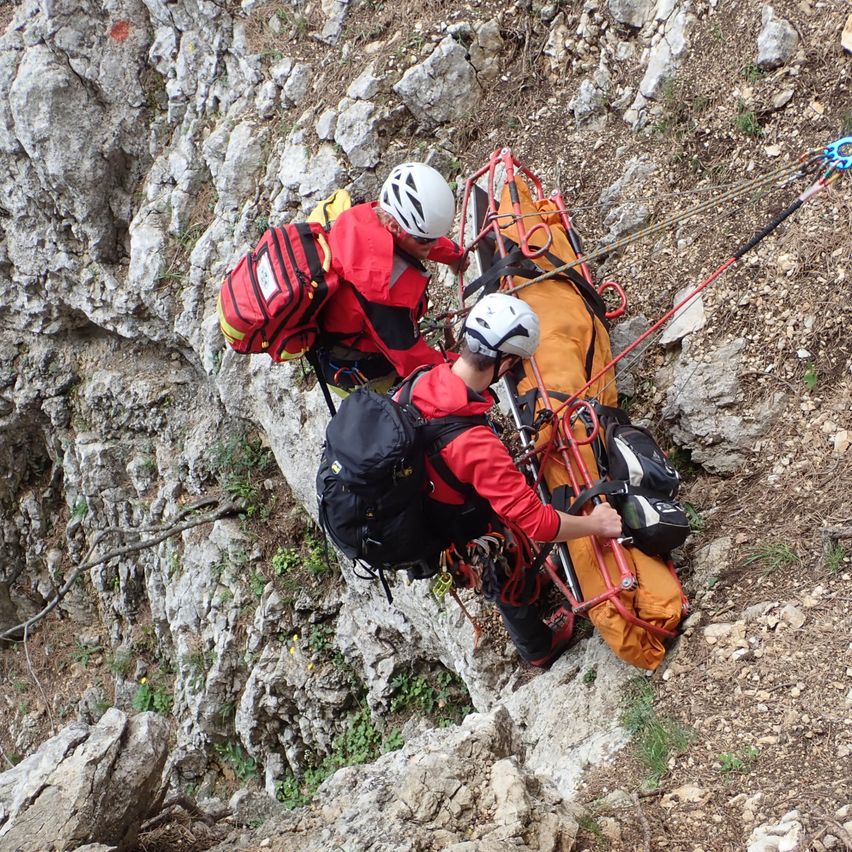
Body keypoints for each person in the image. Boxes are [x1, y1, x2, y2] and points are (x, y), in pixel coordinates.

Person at [405, 293, 623, 668]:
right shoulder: (475, 446)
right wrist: (596, 524)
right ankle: (538, 648)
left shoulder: (427, 379)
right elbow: (538, 522)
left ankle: (535, 588)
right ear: (504, 361)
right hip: (455, 524)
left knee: (506, 553)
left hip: (431, 500)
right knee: (503, 572)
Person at [318, 162, 467, 394]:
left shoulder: (376, 216)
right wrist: (471, 367)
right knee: (409, 408)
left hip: (366, 326)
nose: (434, 244)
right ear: (395, 226)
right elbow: (412, 361)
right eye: (426, 240)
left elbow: (419, 238)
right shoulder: (382, 294)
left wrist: (453, 256)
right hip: (355, 367)